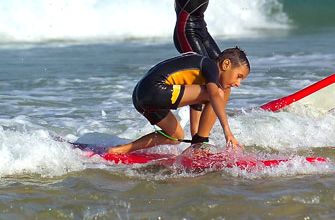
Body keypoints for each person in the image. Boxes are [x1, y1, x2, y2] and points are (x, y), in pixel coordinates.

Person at [102, 0, 226, 136]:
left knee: (222, 69)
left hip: (201, 27)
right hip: (186, 31)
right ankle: (198, 136)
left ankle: (212, 116)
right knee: (202, 77)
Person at [107, 47, 250, 154]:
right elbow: (213, 96)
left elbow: (196, 101)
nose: (238, 83)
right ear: (225, 64)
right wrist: (227, 131)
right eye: (239, 76)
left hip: (141, 97)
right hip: (155, 90)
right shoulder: (209, 65)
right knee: (219, 92)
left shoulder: (203, 76)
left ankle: (121, 150)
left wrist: (195, 134)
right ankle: (200, 144)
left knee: (175, 137)